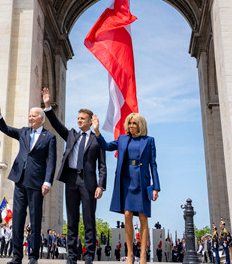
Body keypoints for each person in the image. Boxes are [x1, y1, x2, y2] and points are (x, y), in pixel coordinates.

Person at [42, 87, 107, 264]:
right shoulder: (71, 135)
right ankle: (71, 257)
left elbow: (102, 165)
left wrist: (101, 185)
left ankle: (88, 257)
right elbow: (56, 125)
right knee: (71, 221)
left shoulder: (97, 140)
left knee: (88, 221)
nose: (79, 121)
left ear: (90, 121)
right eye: (78, 118)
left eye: (82, 119)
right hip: (71, 180)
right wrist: (48, 105)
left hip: (89, 184)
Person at [91, 113, 160, 264]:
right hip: (126, 180)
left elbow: (153, 165)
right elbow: (106, 146)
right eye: (129, 123)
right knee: (127, 214)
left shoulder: (149, 141)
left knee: (143, 217)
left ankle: (142, 254)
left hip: (142, 181)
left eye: (134, 123)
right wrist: (97, 131)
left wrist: (156, 187)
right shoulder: (122, 139)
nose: (131, 126)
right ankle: (129, 254)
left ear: (140, 125)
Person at [0, 99, 57, 264]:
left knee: (35, 220)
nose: (30, 118)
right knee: (17, 220)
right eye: (29, 116)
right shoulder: (23, 132)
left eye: (33, 116)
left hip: (37, 183)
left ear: (41, 118)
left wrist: (47, 182)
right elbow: (6, 129)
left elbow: (51, 162)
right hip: (19, 180)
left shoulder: (50, 137)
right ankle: (16, 256)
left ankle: (34, 256)